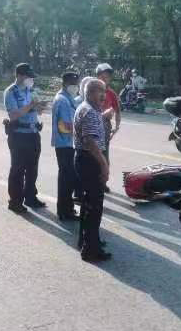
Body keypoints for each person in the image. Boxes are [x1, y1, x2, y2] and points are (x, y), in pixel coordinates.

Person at [73, 79, 112, 262]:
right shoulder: (89, 111)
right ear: (89, 93)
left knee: (89, 203)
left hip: (86, 158)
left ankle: (87, 241)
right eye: (98, 91)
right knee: (94, 206)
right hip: (90, 159)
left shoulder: (89, 109)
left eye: (104, 91)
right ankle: (90, 249)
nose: (103, 95)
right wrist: (104, 164)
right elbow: (90, 142)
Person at [3, 63, 47, 214]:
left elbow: (36, 111)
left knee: (32, 169)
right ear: (20, 76)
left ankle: (30, 197)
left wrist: (39, 107)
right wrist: (31, 105)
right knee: (18, 170)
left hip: (33, 133)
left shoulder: (30, 91)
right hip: (19, 135)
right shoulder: (11, 92)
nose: (31, 80)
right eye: (28, 77)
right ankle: (15, 202)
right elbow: (14, 115)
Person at [52, 72, 81, 221]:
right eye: (72, 84)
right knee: (66, 179)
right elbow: (65, 126)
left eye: (76, 84)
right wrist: (81, 131)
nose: (75, 86)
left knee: (67, 178)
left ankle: (66, 209)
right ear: (64, 83)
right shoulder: (63, 100)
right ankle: (64, 211)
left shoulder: (67, 98)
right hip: (65, 144)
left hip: (67, 143)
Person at [96, 63, 121, 172]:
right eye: (103, 76)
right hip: (91, 126)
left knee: (104, 156)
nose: (106, 79)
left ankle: (103, 178)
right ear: (98, 77)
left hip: (105, 127)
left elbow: (118, 111)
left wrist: (116, 127)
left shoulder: (111, 93)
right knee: (92, 156)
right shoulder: (90, 91)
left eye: (108, 77)